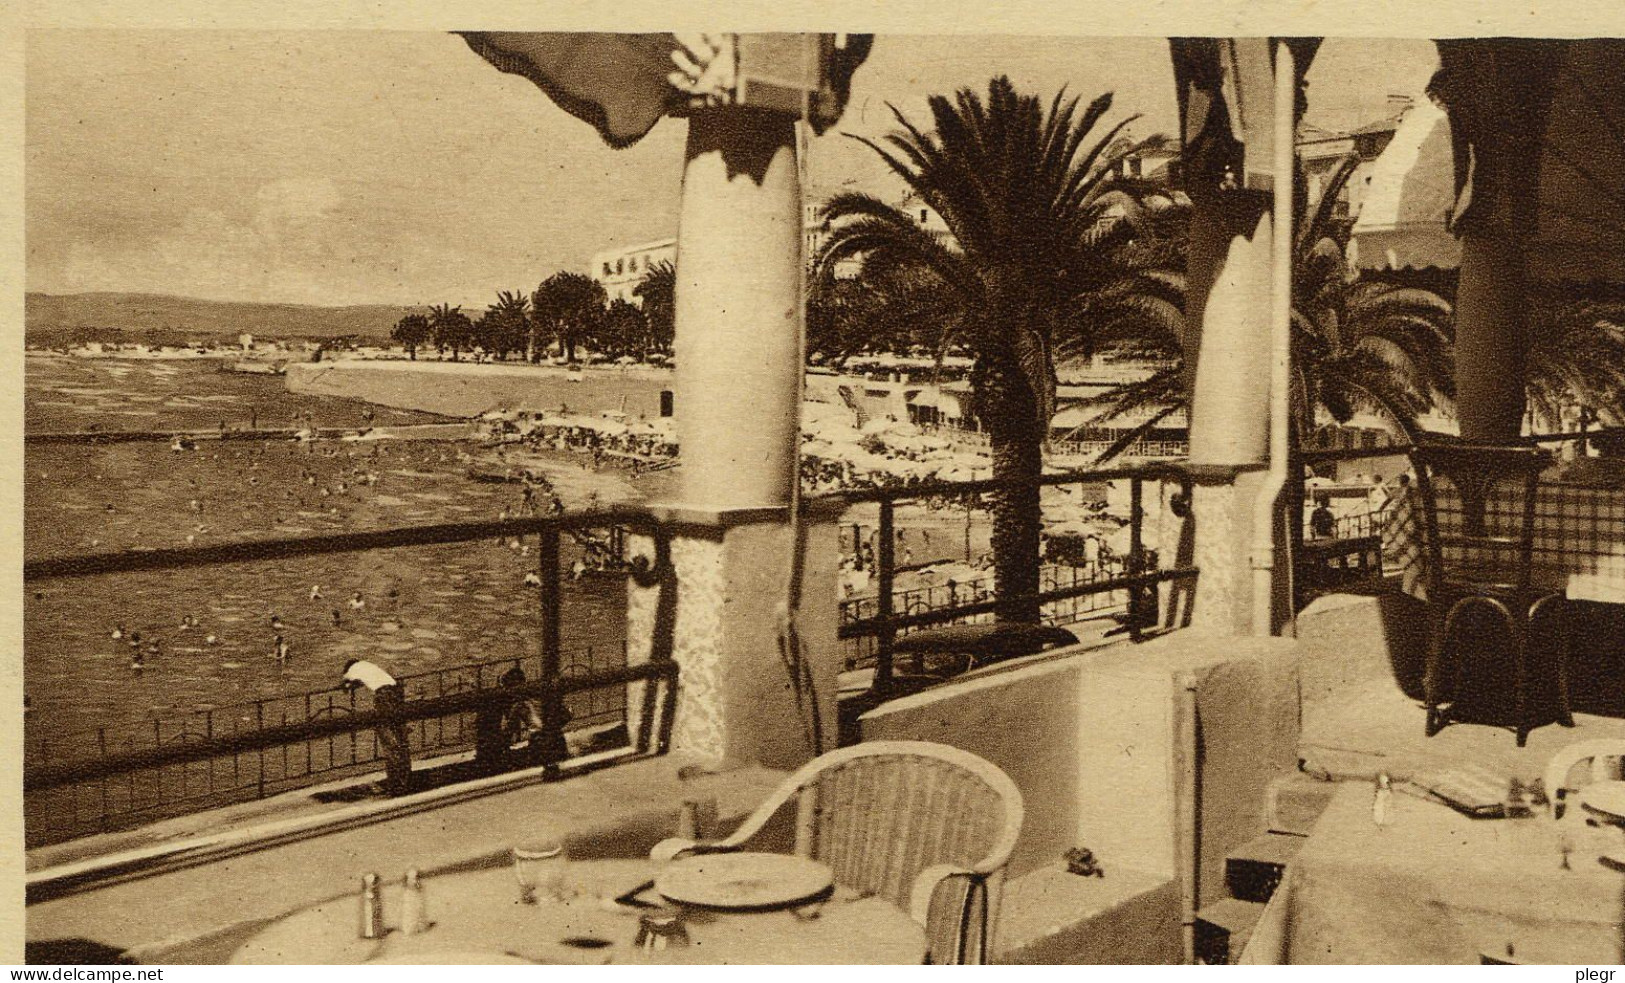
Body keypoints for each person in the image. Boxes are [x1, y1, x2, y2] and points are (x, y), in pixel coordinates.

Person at [341, 659, 412, 796]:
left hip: (384, 696)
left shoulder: (352, 670)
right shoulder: (369, 665)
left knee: (389, 741)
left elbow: (346, 685)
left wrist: (348, 683)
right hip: (396, 691)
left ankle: (396, 784)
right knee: (401, 740)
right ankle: (405, 781)